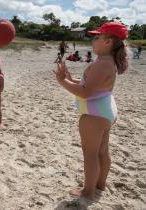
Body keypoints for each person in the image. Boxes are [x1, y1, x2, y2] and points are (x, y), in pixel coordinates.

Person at [53, 22, 129, 200]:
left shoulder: (103, 64)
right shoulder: (106, 61)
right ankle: (100, 184)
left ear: (109, 42)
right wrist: (71, 79)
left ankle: (88, 191)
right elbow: (92, 85)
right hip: (105, 110)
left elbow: (85, 92)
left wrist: (62, 82)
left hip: (95, 114)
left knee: (90, 154)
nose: (92, 40)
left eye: (97, 37)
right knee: (102, 151)